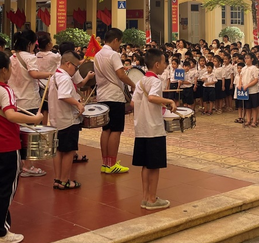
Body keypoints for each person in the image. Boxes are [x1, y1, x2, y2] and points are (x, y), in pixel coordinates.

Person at [0, 52, 42, 243]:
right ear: (3, 70)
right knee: (5, 191)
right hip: (7, 146)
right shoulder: (5, 91)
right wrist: (34, 120)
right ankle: (0, 233)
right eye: (10, 68)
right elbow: (11, 116)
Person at [132, 48, 176, 210]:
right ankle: (152, 199)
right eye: (164, 62)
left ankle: (145, 197)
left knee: (145, 165)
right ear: (157, 64)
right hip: (154, 128)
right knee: (154, 166)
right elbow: (152, 97)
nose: (165, 65)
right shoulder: (156, 81)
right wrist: (169, 101)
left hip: (141, 127)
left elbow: (133, 103)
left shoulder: (140, 81)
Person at [9, 29, 53, 177]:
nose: (36, 45)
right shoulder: (30, 57)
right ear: (29, 43)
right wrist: (50, 74)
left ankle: (19, 163)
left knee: (18, 133)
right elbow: (33, 74)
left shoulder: (12, 57)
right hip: (29, 99)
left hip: (14, 100)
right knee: (29, 134)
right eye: (34, 43)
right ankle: (28, 166)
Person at [94, 28, 136, 174]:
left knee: (106, 129)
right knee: (116, 130)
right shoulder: (113, 54)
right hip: (114, 96)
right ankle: (112, 164)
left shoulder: (98, 54)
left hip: (102, 96)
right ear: (115, 40)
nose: (120, 45)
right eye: (120, 42)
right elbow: (121, 75)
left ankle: (105, 163)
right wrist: (133, 84)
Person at [48, 51, 86, 190]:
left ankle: (58, 179)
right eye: (75, 67)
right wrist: (77, 104)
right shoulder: (64, 78)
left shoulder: (55, 75)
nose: (75, 71)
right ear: (68, 64)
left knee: (57, 150)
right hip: (67, 120)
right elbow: (63, 96)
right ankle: (65, 180)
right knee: (69, 151)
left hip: (56, 119)